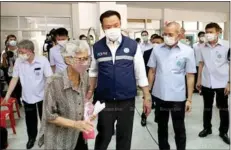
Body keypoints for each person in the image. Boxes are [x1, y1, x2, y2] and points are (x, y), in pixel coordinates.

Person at [87, 10, 152, 150]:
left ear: (120, 23)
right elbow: (93, 71)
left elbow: (140, 73)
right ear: (103, 27)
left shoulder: (132, 45)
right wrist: (91, 91)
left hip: (126, 99)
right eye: (108, 27)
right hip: (104, 100)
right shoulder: (97, 47)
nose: (112, 29)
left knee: (124, 135)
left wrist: (147, 96)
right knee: (105, 133)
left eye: (115, 25)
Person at [38, 40, 95, 150]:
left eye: (87, 58)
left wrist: (89, 111)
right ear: (68, 59)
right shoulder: (53, 82)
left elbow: (85, 98)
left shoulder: (85, 76)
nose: (86, 62)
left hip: (79, 134)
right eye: (81, 59)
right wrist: (75, 124)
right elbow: (49, 116)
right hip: (59, 139)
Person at [148, 22, 196, 150]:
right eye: (165, 34)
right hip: (159, 95)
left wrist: (189, 99)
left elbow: (190, 75)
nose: (167, 37)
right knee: (161, 127)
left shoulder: (188, 51)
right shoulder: (157, 49)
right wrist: (147, 94)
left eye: (170, 34)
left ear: (179, 35)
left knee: (179, 127)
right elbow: (152, 71)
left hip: (178, 97)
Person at [3, 40, 53, 149]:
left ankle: (45, 136)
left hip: (42, 96)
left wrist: (50, 94)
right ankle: (31, 138)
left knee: (44, 118)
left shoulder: (42, 60)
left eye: (21, 51)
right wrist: (7, 95)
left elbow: (49, 77)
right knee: (30, 120)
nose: (19, 54)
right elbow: (15, 78)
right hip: (27, 97)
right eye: (19, 52)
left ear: (29, 51)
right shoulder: (19, 62)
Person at [196, 22, 230, 145]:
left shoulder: (227, 45)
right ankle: (207, 128)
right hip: (207, 82)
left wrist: (229, 82)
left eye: (211, 32)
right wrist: (199, 80)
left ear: (218, 32)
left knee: (223, 108)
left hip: (222, 82)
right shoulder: (202, 47)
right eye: (207, 32)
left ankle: (223, 131)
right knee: (207, 107)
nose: (208, 35)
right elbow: (201, 63)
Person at [1, 35, 22, 106]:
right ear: (7, 41)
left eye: (14, 39)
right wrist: (4, 58)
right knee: (12, 89)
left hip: (20, 73)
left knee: (19, 89)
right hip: (10, 73)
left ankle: (19, 101)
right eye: (11, 39)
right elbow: (4, 66)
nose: (12, 41)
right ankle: (15, 103)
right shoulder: (5, 51)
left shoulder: (19, 50)